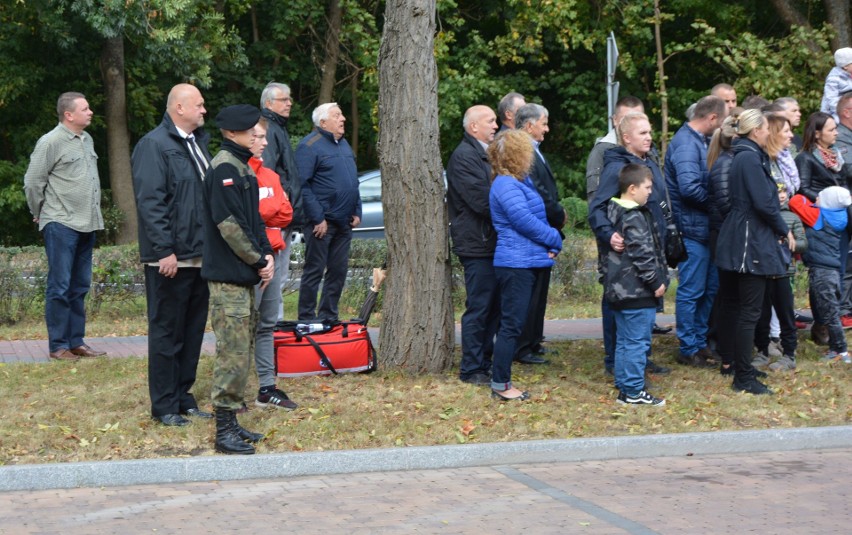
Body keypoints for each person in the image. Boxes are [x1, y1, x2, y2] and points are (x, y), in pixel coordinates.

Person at [131, 83, 212, 427]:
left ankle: (183, 397)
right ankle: (164, 405)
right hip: (170, 259)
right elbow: (151, 202)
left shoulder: (198, 143)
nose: (204, 110)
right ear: (179, 108)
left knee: (192, 331)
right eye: (199, 105)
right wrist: (164, 250)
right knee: (167, 332)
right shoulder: (154, 145)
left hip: (199, 257)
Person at [202, 104, 274, 455]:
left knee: (240, 351)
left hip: (243, 275)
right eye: (249, 131)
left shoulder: (242, 167)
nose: (255, 136)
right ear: (232, 134)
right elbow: (229, 225)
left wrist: (266, 255)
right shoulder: (223, 169)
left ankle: (232, 422)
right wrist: (258, 258)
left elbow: (254, 220)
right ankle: (223, 432)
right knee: (231, 354)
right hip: (228, 277)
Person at [715, 109, 794, 395]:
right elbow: (763, 203)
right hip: (751, 241)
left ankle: (739, 366)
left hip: (742, 236)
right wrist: (784, 230)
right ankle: (743, 377)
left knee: (739, 307)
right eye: (766, 128)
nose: (769, 132)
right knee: (749, 310)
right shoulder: (749, 157)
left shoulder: (744, 155)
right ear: (757, 131)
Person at [24, 92, 105, 362]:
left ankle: (75, 341)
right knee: (59, 286)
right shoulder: (50, 142)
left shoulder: (87, 139)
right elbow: (33, 182)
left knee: (79, 286)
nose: (91, 111)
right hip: (61, 222)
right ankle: (58, 346)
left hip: (87, 222)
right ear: (69, 115)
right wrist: (39, 212)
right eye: (85, 108)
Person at [589, 112, 671, 377]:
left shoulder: (648, 160)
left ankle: (639, 359)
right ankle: (616, 362)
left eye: (650, 132)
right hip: (625, 260)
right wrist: (607, 233)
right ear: (626, 138)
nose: (649, 137)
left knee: (642, 310)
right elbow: (597, 208)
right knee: (623, 307)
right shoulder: (618, 168)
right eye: (643, 133)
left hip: (649, 247)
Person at [487, 129, 563, 401]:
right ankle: (501, 385)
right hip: (515, 265)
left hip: (526, 261)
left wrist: (550, 246)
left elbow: (534, 218)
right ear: (517, 155)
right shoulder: (506, 185)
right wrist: (555, 238)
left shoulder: (519, 181)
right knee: (511, 326)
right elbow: (524, 221)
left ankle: (501, 381)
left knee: (514, 325)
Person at [664, 95, 726, 368]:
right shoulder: (686, 144)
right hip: (692, 230)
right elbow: (689, 189)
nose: (723, 125)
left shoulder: (698, 141)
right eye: (722, 120)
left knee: (709, 289)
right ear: (712, 118)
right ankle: (688, 347)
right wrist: (717, 206)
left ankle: (699, 343)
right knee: (692, 290)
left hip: (703, 229)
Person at [605, 164, 668, 406]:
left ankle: (624, 385)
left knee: (624, 340)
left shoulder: (614, 211)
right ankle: (633, 390)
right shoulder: (633, 216)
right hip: (636, 290)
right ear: (632, 189)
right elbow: (643, 254)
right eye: (648, 187)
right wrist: (656, 282)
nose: (651, 192)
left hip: (620, 290)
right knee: (637, 342)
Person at [447, 105, 500, 385]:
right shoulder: (465, 156)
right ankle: (471, 368)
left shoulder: (487, 153)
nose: (496, 125)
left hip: (491, 241)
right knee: (479, 307)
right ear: (473, 127)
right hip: (477, 243)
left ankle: (485, 362)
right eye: (490, 121)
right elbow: (482, 201)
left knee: (493, 307)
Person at [248, 119, 297, 410]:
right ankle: (235, 388)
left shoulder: (271, 176)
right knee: (242, 327)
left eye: (265, 136)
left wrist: (264, 212)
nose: (265, 143)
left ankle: (266, 387)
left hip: (274, 257)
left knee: (267, 324)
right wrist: (268, 211)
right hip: (248, 260)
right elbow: (249, 216)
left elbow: (286, 215)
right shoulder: (238, 173)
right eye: (259, 137)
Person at [296, 103, 361, 322]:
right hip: (322, 223)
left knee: (338, 271)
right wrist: (317, 217)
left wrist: (357, 210)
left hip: (344, 222)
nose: (343, 119)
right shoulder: (309, 146)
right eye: (337, 115)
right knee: (314, 271)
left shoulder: (343, 145)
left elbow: (353, 182)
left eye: (342, 114)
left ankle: (328, 316)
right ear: (323, 122)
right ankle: (306, 318)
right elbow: (302, 185)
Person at [513, 103, 566, 365]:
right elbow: (539, 194)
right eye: (543, 123)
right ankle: (523, 347)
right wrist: (558, 214)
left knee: (540, 290)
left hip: (545, 229)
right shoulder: (524, 153)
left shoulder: (535, 150)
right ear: (529, 124)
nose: (547, 129)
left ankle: (533, 341)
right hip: (537, 229)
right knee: (531, 294)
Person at [796, 111, 849, 337]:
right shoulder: (806, 158)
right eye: (830, 129)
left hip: (840, 222)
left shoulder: (837, 156)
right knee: (823, 276)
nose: (836, 132)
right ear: (817, 134)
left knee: (838, 272)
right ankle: (822, 324)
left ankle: (831, 320)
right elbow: (803, 188)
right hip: (820, 222)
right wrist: (826, 198)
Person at [790, 186, 852, 363]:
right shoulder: (838, 215)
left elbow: (795, 201)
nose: (816, 197)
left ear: (827, 202)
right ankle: (837, 348)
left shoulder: (818, 215)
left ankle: (840, 350)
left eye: (821, 196)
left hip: (822, 272)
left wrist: (814, 204)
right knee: (830, 311)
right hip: (830, 270)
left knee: (831, 314)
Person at [260, 82, 302, 319]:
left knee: (280, 275)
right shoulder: (268, 129)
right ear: (269, 104)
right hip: (275, 216)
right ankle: (270, 328)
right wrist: (283, 200)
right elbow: (267, 172)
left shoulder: (278, 128)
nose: (289, 103)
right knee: (273, 275)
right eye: (284, 100)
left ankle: (274, 327)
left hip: (284, 216)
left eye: (289, 99)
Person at [754, 184, 807, 372]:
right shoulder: (760, 216)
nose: (782, 196)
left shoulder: (792, 217)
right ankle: (762, 350)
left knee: (785, 314)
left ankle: (789, 354)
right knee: (762, 314)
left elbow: (802, 243)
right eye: (778, 192)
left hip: (784, 272)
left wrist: (787, 242)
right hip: (763, 272)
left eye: (785, 192)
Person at [585, 95, 645, 202]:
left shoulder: (648, 149)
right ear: (615, 120)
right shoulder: (601, 152)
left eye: (636, 120)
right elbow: (595, 201)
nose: (631, 126)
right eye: (625, 120)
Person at [820, 47, 852, 121]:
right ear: (845, 66)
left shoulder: (850, 75)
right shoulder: (834, 78)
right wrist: (843, 112)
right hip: (833, 113)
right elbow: (831, 100)